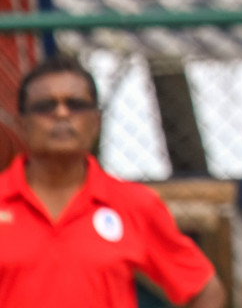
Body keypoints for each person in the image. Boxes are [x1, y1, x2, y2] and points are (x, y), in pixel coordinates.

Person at [0, 55, 226, 308]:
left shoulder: (134, 204)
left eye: (75, 104)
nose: (61, 113)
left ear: (95, 121)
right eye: (45, 106)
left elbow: (205, 289)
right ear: (22, 123)